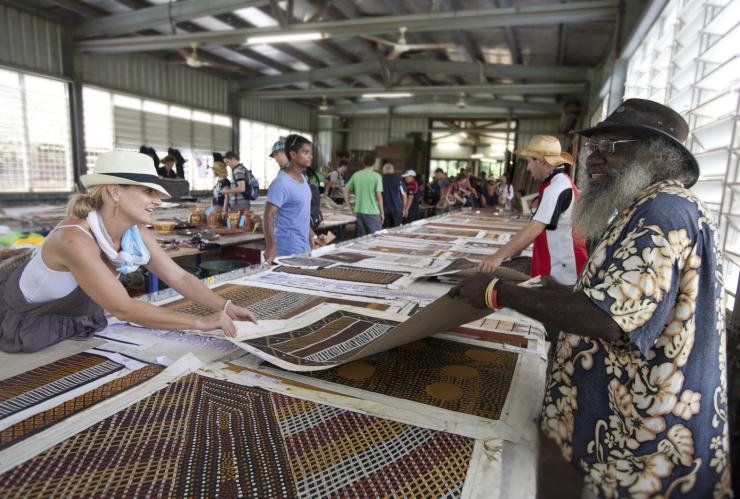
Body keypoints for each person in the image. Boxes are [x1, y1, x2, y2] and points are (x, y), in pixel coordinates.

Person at [451, 99, 731, 498]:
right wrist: (555, 292)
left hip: (646, 440)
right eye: (594, 149)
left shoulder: (663, 212)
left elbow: (610, 318)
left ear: (657, 155)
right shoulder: (647, 208)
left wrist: (498, 292)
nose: (594, 160)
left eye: (610, 148)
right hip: (627, 425)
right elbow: (627, 299)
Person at [0, 151, 257, 353]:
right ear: (114, 191)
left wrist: (226, 306)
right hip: (25, 321)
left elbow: (178, 277)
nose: (157, 201)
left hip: (72, 318)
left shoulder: (136, 233)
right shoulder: (73, 239)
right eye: (148, 192)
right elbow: (124, 309)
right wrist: (201, 323)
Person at [478, 135, 587, 286]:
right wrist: (515, 249)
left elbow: (535, 227)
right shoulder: (559, 183)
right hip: (560, 267)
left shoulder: (556, 188)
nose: (528, 167)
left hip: (562, 275)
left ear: (540, 162)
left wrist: (497, 257)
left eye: (529, 162)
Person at [263, 134, 320, 261]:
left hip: (304, 246)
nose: (310, 156)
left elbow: (301, 215)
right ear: (293, 155)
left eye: (310, 152)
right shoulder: (281, 183)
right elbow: (268, 216)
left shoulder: (303, 180)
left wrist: (312, 236)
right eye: (306, 152)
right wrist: (271, 245)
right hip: (287, 248)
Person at [343, 154, 384, 236]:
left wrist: (349, 207)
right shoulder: (377, 176)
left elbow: (345, 190)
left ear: (363, 163)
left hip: (359, 211)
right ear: (374, 163)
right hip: (372, 211)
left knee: (361, 239)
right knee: (376, 237)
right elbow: (379, 196)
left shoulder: (356, 175)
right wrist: (382, 212)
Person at [381, 163, 407, 228]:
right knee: (398, 230)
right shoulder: (399, 180)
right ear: (393, 170)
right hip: (397, 210)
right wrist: (404, 209)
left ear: (383, 170)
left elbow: (377, 196)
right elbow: (404, 196)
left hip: (384, 211)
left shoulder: (380, 180)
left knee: (385, 231)